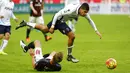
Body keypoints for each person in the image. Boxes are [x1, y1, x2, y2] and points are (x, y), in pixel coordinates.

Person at [16, 3, 102, 63]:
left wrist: (96, 30)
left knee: (45, 29)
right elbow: (57, 14)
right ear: (81, 9)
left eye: (86, 13)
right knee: (71, 35)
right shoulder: (71, 10)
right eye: (84, 12)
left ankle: (26, 24)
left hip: (62, 21)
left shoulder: (83, 12)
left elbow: (90, 20)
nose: (84, 14)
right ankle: (69, 56)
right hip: (58, 19)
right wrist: (53, 26)